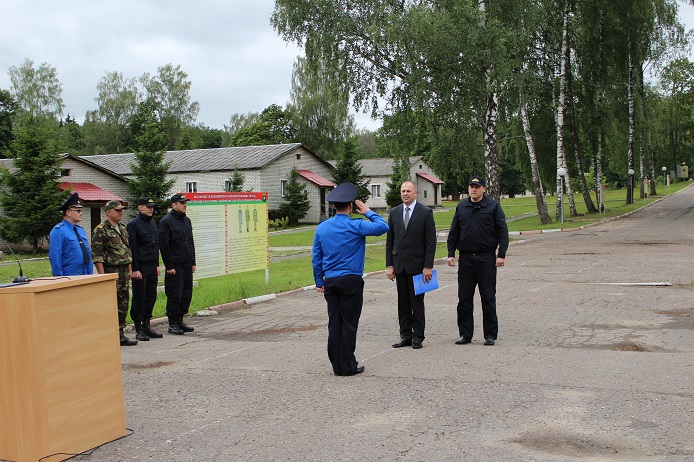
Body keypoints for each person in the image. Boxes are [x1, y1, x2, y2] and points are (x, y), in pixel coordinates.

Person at [312, 183, 389, 376]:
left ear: (334, 206)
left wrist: (319, 281)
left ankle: (337, 365)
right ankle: (347, 365)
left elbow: (316, 257)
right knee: (349, 323)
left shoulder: (322, 228)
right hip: (351, 281)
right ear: (351, 206)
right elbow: (383, 226)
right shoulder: (356, 225)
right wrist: (368, 211)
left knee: (334, 323)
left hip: (331, 281)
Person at [446, 176, 509, 346]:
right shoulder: (461, 206)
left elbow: (502, 231)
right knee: (464, 298)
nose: (473, 189)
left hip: (486, 258)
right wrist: (451, 253)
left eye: (477, 187)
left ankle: (490, 334)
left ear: (484, 189)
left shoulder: (493, 206)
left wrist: (501, 254)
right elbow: (454, 231)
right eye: (471, 187)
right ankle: (465, 334)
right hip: (466, 258)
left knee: (488, 297)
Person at [386, 181, 437, 350]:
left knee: (417, 303)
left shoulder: (425, 212)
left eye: (408, 191)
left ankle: (418, 336)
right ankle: (405, 335)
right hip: (400, 266)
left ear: (416, 193)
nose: (405, 194)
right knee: (403, 303)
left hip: (419, 267)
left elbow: (430, 242)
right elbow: (390, 241)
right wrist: (390, 265)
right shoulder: (394, 212)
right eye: (403, 191)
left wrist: (428, 266)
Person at [91, 200, 137, 346]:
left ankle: (120, 335)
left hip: (124, 271)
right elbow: (97, 254)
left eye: (121, 210)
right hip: (111, 271)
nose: (120, 213)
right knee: (111, 304)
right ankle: (110, 335)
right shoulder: (101, 229)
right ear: (108, 212)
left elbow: (127, 250)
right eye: (117, 210)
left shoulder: (122, 228)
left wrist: (130, 269)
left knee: (123, 304)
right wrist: (103, 276)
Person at [159, 193, 196, 335]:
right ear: (174, 205)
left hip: (187, 263)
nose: (185, 205)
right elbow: (164, 246)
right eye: (182, 203)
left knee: (186, 294)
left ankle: (180, 320)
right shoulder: (166, 222)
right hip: (175, 265)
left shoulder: (187, 220)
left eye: (185, 203)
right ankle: (172, 323)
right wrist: (169, 266)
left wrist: (193, 262)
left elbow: (190, 242)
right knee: (175, 294)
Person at [127, 197, 163, 341]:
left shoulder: (152, 222)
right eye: (148, 206)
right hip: (140, 266)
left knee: (151, 296)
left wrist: (157, 264)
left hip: (151, 265)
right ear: (140, 207)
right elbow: (133, 249)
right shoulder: (133, 225)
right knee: (139, 297)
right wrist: (135, 269)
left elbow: (155, 245)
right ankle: (138, 328)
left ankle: (147, 325)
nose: (151, 209)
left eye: (152, 206)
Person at [49, 192, 94, 276]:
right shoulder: (58, 230)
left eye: (81, 211)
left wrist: (90, 274)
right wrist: (60, 278)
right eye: (78, 211)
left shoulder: (80, 230)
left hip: (84, 275)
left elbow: (87, 254)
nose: (81, 213)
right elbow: (55, 257)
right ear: (68, 213)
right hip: (69, 276)